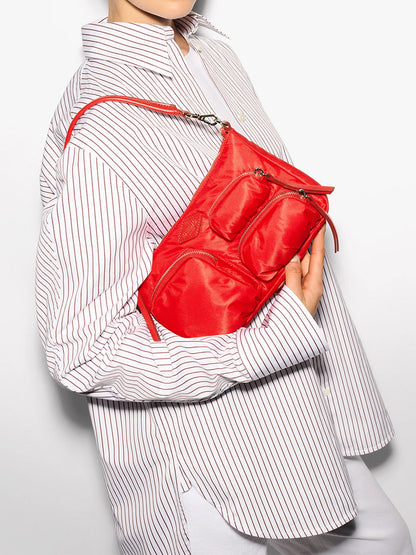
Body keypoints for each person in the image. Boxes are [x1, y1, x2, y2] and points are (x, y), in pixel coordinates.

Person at [35, 1, 414, 553]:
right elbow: (80, 351)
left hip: (297, 414)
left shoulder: (214, 53)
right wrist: (273, 340)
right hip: (195, 456)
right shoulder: (100, 123)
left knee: (386, 542)